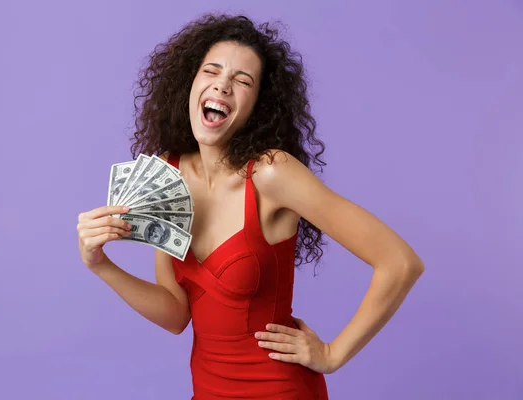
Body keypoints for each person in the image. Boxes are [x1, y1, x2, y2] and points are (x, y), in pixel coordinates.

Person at [76, 14, 424, 399]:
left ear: (256, 106)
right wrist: (101, 265)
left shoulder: (272, 174)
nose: (222, 85)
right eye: (212, 71)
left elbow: (400, 262)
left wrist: (331, 353)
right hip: (208, 390)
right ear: (189, 85)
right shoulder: (167, 175)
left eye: (243, 81)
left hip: (279, 389)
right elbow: (176, 314)